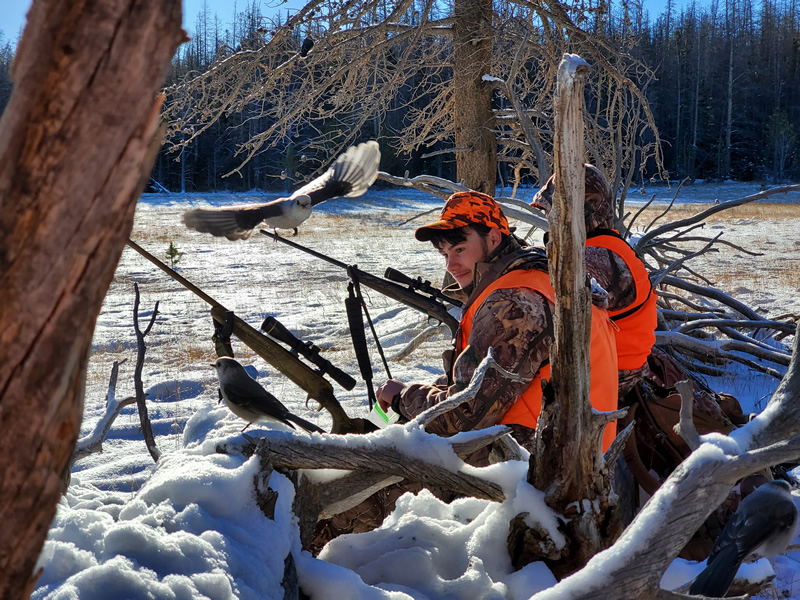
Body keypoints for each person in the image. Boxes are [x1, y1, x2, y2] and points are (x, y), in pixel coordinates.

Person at [376, 190, 619, 456]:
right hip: (578, 452)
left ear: (493, 237)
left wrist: (403, 397)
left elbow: (464, 419)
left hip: (533, 466)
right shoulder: (536, 273)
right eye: (444, 254)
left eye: (459, 249)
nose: (451, 265)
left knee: (378, 474)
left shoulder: (514, 302)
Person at [531, 165, 657, 396]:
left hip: (610, 383)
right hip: (615, 372)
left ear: (578, 210)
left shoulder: (600, 256)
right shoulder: (607, 246)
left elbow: (548, 274)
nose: (548, 217)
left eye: (552, 210)